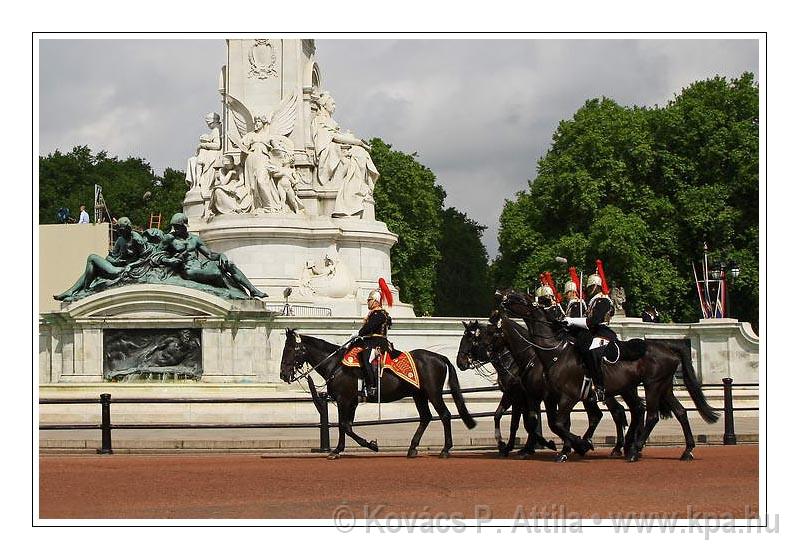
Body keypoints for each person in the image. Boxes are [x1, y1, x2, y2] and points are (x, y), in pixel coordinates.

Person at [159, 213, 268, 299]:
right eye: (175, 227)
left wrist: (221, 255)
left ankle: (253, 290)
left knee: (228, 264)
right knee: (214, 272)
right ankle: (226, 288)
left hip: (200, 264)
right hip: (187, 268)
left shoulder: (194, 239)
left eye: (178, 227)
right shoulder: (169, 238)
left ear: (185, 226)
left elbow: (209, 255)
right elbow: (156, 254)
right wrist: (169, 261)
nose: (175, 230)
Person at [311, 91, 379, 217]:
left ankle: (357, 191)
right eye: (333, 103)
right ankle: (354, 193)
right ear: (325, 105)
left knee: (361, 154)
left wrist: (350, 138)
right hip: (327, 150)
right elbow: (332, 137)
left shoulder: (329, 120)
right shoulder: (320, 119)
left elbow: (336, 136)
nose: (335, 106)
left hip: (335, 147)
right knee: (358, 154)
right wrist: (357, 142)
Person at [54, 217, 147, 301]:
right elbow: (109, 257)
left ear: (128, 228)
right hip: (115, 266)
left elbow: (144, 258)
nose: (119, 232)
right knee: (92, 267)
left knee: (92, 258)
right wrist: (115, 261)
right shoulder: (120, 240)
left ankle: (84, 290)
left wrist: (130, 266)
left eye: (121, 230)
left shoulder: (136, 239)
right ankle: (73, 291)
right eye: (118, 229)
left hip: (122, 270)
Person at [563, 274, 616, 400]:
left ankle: (599, 386)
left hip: (604, 333)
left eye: (590, 287)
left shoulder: (603, 300)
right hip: (595, 332)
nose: (588, 290)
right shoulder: (594, 302)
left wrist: (571, 320)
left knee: (591, 351)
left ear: (595, 287)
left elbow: (593, 321)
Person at [353, 289, 392, 399]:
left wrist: (359, 333)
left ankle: (372, 386)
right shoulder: (375, 313)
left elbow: (369, 328)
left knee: (366, 359)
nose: (368, 302)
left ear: (375, 301)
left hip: (377, 343)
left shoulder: (379, 314)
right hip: (371, 341)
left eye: (369, 300)